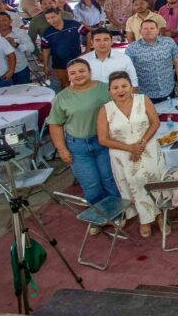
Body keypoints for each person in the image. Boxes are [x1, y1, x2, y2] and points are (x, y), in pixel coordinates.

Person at [97, 72, 167, 237]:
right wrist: (130, 148)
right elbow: (103, 139)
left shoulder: (143, 100)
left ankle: (161, 217)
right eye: (115, 88)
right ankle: (145, 220)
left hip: (148, 149)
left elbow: (155, 122)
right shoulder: (105, 109)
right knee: (135, 186)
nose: (120, 90)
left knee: (155, 181)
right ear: (109, 91)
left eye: (124, 86)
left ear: (131, 87)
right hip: (123, 155)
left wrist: (140, 145)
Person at [47, 59, 122, 212]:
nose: (78, 75)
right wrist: (62, 149)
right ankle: (99, 215)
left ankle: (116, 214)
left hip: (104, 142)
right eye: (73, 73)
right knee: (90, 184)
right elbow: (55, 124)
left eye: (82, 71)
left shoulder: (106, 89)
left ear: (90, 72)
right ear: (68, 76)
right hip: (78, 147)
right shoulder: (62, 97)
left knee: (110, 179)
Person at [125, 20, 178, 104]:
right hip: (145, 94)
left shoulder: (169, 42)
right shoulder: (132, 48)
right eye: (145, 29)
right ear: (140, 31)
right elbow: (128, 71)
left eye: (152, 28)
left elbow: (177, 62)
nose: (149, 31)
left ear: (158, 30)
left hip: (169, 89)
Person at [41, 9, 85, 89]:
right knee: (65, 84)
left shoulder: (73, 24)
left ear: (59, 14)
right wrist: (46, 65)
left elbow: (87, 33)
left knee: (80, 83)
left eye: (53, 17)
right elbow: (46, 49)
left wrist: (87, 50)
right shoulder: (47, 33)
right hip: (59, 63)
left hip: (77, 60)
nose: (51, 20)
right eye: (48, 18)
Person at [0, 12, 34, 85]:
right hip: (1, 71)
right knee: (6, 91)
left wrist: (16, 44)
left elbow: (31, 48)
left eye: (4, 20)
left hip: (20, 69)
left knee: (24, 90)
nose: (1, 23)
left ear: (10, 21)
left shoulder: (20, 32)